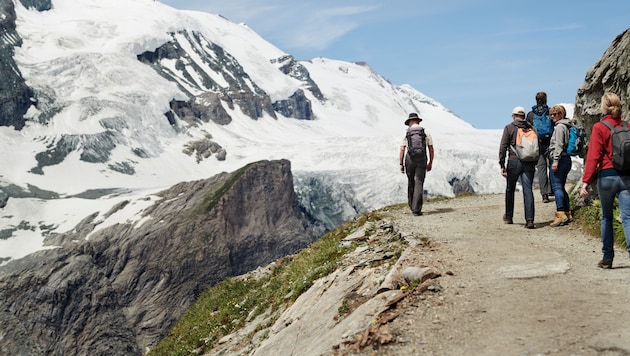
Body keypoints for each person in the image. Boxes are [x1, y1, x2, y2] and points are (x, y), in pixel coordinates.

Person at [580, 92, 630, 269]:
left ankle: (607, 258)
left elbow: (594, 156)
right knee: (628, 217)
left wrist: (586, 181)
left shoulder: (600, 127)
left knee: (607, 217)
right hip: (626, 176)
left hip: (607, 177)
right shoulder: (628, 125)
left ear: (604, 107)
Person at [499, 106, 536, 229]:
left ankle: (509, 216)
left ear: (513, 116)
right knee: (528, 190)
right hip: (528, 162)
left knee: (510, 189)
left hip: (514, 162)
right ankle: (530, 220)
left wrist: (502, 164)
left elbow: (503, 147)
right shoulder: (531, 128)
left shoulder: (509, 128)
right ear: (524, 116)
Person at [399, 112, 434, 216]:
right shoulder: (425, 132)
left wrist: (401, 164)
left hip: (409, 158)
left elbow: (402, 149)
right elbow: (431, 149)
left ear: (409, 122)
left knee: (411, 181)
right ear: (418, 121)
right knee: (419, 182)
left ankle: (411, 205)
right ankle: (416, 209)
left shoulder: (407, 133)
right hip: (422, 158)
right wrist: (430, 162)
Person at [526, 92, 554, 203]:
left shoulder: (531, 114)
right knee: (552, 166)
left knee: (541, 169)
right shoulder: (550, 111)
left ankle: (544, 195)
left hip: (537, 144)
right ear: (546, 99)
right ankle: (552, 189)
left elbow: (527, 129)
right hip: (550, 143)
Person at [548, 105, 572, 227]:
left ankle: (560, 213)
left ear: (561, 114)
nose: (553, 116)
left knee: (556, 187)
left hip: (559, 159)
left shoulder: (560, 127)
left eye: (555, 114)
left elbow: (559, 144)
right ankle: (567, 212)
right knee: (561, 186)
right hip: (566, 159)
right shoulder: (567, 125)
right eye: (551, 114)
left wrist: (555, 160)